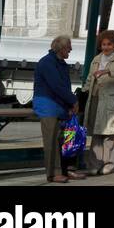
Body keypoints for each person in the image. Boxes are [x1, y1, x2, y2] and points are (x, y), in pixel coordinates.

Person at [33, 35, 82, 183]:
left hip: (59, 105)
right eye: (68, 47)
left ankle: (67, 169)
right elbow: (57, 86)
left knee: (67, 138)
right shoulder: (47, 63)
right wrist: (73, 101)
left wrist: (69, 104)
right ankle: (53, 173)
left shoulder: (61, 63)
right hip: (47, 105)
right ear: (61, 48)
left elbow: (63, 87)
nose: (71, 49)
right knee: (52, 141)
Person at [83, 29, 114, 175]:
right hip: (96, 99)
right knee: (96, 133)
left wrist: (107, 71)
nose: (106, 47)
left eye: (109, 44)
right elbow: (90, 78)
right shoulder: (97, 59)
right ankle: (94, 164)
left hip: (112, 100)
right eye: (103, 44)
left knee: (109, 134)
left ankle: (108, 164)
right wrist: (84, 92)